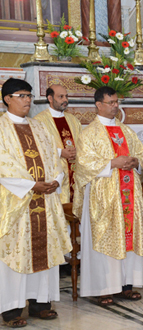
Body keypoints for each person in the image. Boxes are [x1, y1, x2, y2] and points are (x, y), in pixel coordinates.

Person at [0, 78, 71, 327]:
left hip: (44, 200)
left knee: (44, 250)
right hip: (16, 201)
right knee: (16, 252)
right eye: (22, 95)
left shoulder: (39, 127)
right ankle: (11, 309)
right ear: (7, 98)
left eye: (29, 95)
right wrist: (32, 185)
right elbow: (3, 164)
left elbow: (54, 155)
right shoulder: (1, 128)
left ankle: (41, 303)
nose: (27, 100)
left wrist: (54, 180)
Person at [73, 86, 143, 306]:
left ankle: (127, 285)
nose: (116, 106)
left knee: (129, 236)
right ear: (98, 104)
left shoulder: (126, 131)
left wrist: (136, 162)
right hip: (103, 196)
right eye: (111, 103)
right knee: (104, 236)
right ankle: (102, 287)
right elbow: (82, 165)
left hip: (128, 194)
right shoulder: (89, 133)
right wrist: (112, 163)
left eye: (117, 102)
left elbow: (142, 155)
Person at [34, 84, 82, 204]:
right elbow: (37, 146)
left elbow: (83, 141)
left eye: (66, 96)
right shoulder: (39, 121)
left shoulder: (73, 120)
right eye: (61, 97)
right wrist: (61, 152)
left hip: (76, 172)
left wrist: (78, 150)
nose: (65, 100)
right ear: (50, 98)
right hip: (56, 175)